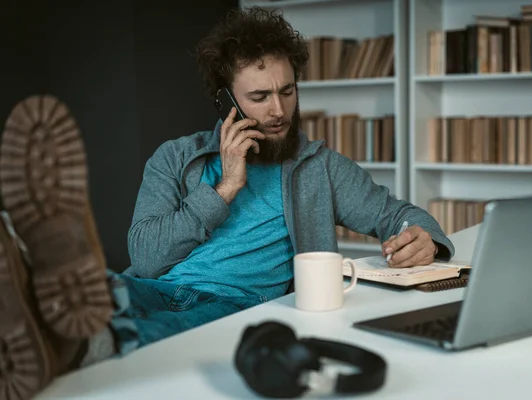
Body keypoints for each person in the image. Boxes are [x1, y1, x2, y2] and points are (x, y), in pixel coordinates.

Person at [0, 6, 454, 400]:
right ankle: (34, 299)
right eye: (259, 97)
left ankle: (63, 342)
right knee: (103, 289)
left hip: (236, 303)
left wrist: (427, 239)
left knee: (163, 336)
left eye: (287, 91)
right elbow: (144, 256)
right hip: (155, 286)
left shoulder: (321, 167)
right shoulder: (174, 158)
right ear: (225, 101)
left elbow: (397, 214)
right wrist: (224, 189)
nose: (278, 111)